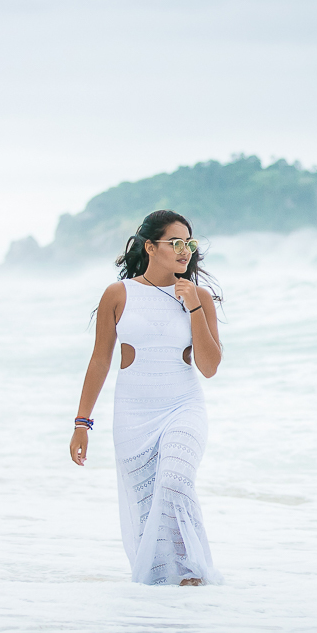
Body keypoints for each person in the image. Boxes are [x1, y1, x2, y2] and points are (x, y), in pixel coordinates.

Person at [69, 210, 224, 586]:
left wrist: (193, 308)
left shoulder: (198, 296)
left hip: (183, 408)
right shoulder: (118, 294)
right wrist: (82, 422)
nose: (185, 250)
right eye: (175, 242)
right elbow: (100, 359)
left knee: (174, 481)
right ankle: (160, 587)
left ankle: (192, 573)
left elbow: (210, 366)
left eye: (189, 243)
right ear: (150, 247)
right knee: (146, 503)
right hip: (133, 415)